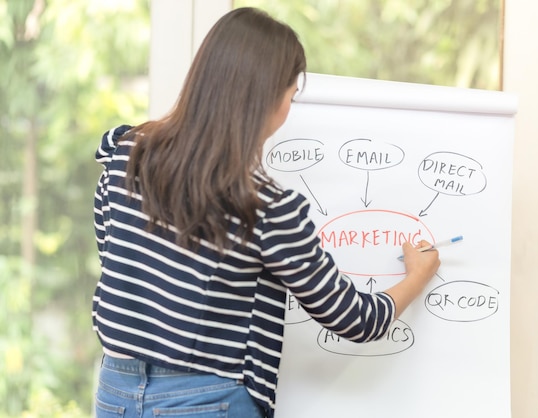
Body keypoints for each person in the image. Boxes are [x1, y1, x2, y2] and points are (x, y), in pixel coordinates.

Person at [91, 7, 440, 418]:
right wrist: (417, 275)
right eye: (291, 97)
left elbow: (114, 252)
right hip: (205, 401)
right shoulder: (263, 209)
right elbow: (355, 319)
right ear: (270, 99)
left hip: (115, 391)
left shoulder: (125, 153)